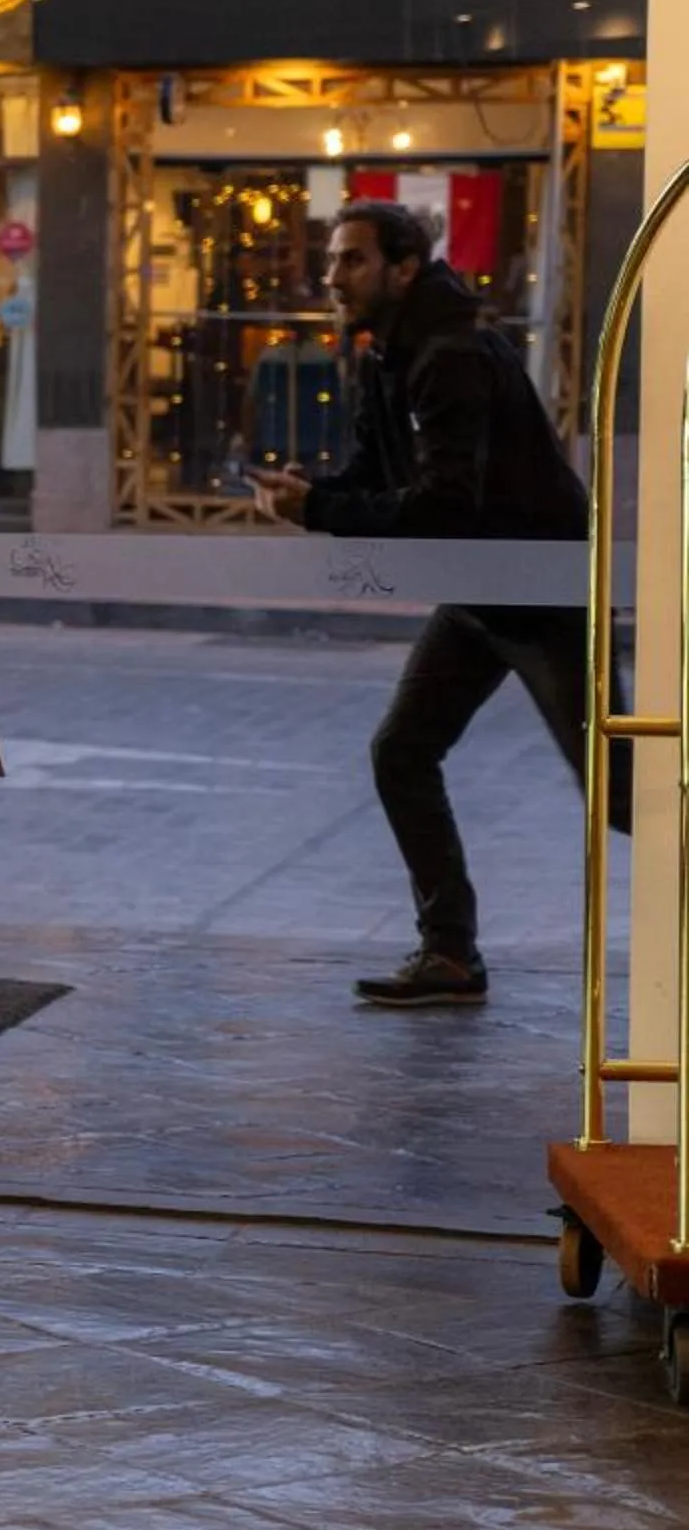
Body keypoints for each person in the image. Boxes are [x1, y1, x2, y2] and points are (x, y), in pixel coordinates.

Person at [251, 201, 630, 1008]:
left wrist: (318, 512)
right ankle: (450, 955)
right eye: (331, 262)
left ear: (404, 267)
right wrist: (311, 493)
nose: (333, 278)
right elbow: (379, 477)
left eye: (352, 261)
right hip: (479, 594)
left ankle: (451, 952)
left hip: (541, 596)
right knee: (401, 752)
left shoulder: (450, 355)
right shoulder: (391, 353)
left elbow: (443, 506)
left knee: (621, 792)